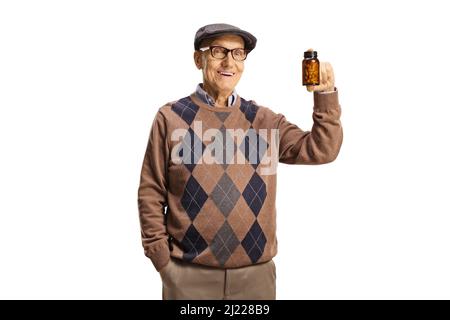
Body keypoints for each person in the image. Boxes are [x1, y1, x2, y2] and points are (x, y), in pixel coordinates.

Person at [138, 23, 343, 300]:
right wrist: (163, 262)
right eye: (218, 51)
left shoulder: (264, 121)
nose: (228, 62)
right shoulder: (170, 117)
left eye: (238, 53)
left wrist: (325, 97)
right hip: (188, 276)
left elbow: (323, 149)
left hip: (255, 278)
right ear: (199, 59)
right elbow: (151, 192)